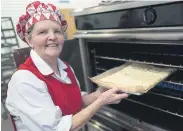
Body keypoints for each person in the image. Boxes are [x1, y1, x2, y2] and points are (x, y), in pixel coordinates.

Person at [5, 1, 128, 131]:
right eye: (42, 32)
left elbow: (76, 102)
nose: (52, 37)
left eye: (57, 31)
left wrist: (98, 94)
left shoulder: (65, 68)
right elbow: (57, 128)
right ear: (29, 40)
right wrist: (101, 101)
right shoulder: (24, 80)